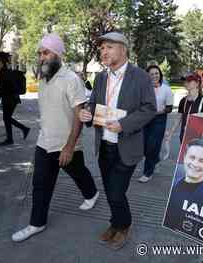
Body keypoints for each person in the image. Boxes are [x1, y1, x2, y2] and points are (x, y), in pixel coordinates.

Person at [11, 33, 99, 242]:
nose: (42, 57)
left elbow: (79, 115)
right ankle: (37, 223)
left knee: (78, 172)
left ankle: (92, 193)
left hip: (66, 143)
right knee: (40, 184)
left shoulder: (71, 79)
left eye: (46, 52)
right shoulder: (44, 78)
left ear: (58, 54)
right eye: (40, 53)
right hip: (44, 142)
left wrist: (69, 147)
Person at [79, 31, 156, 250]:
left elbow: (150, 108)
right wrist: (86, 113)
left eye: (109, 47)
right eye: (102, 48)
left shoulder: (140, 76)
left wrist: (125, 124)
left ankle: (124, 226)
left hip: (127, 146)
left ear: (123, 49)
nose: (104, 52)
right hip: (104, 145)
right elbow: (92, 104)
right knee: (111, 190)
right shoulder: (101, 77)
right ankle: (115, 223)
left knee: (115, 191)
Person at [138, 65, 173, 183]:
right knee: (143, 146)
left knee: (152, 145)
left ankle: (148, 172)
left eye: (156, 73)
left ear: (160, 75)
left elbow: (169, 108)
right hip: (145, 120)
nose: (154, 76)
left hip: (159, 120)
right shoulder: (143, 88)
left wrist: (157, 112)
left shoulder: (166, 89)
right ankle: (155, 160)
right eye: (151, 74)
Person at [0, 51, 30, 146]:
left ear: (1, 62)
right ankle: (13, 136)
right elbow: (7, 85)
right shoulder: (5, 71)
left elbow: (7, 87)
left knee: (7, 118)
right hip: (12, 98)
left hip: (9, 99)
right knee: (7, 118)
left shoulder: (3, 72)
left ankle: (19, 132)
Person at [165, 72, 203, 143]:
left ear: (197, 83)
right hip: (184, 137)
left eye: (189, 80)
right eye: (185, 80)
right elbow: (178, 118)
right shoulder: (183, 101)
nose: (186, 82)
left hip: (198, 139)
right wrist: (170, 133)